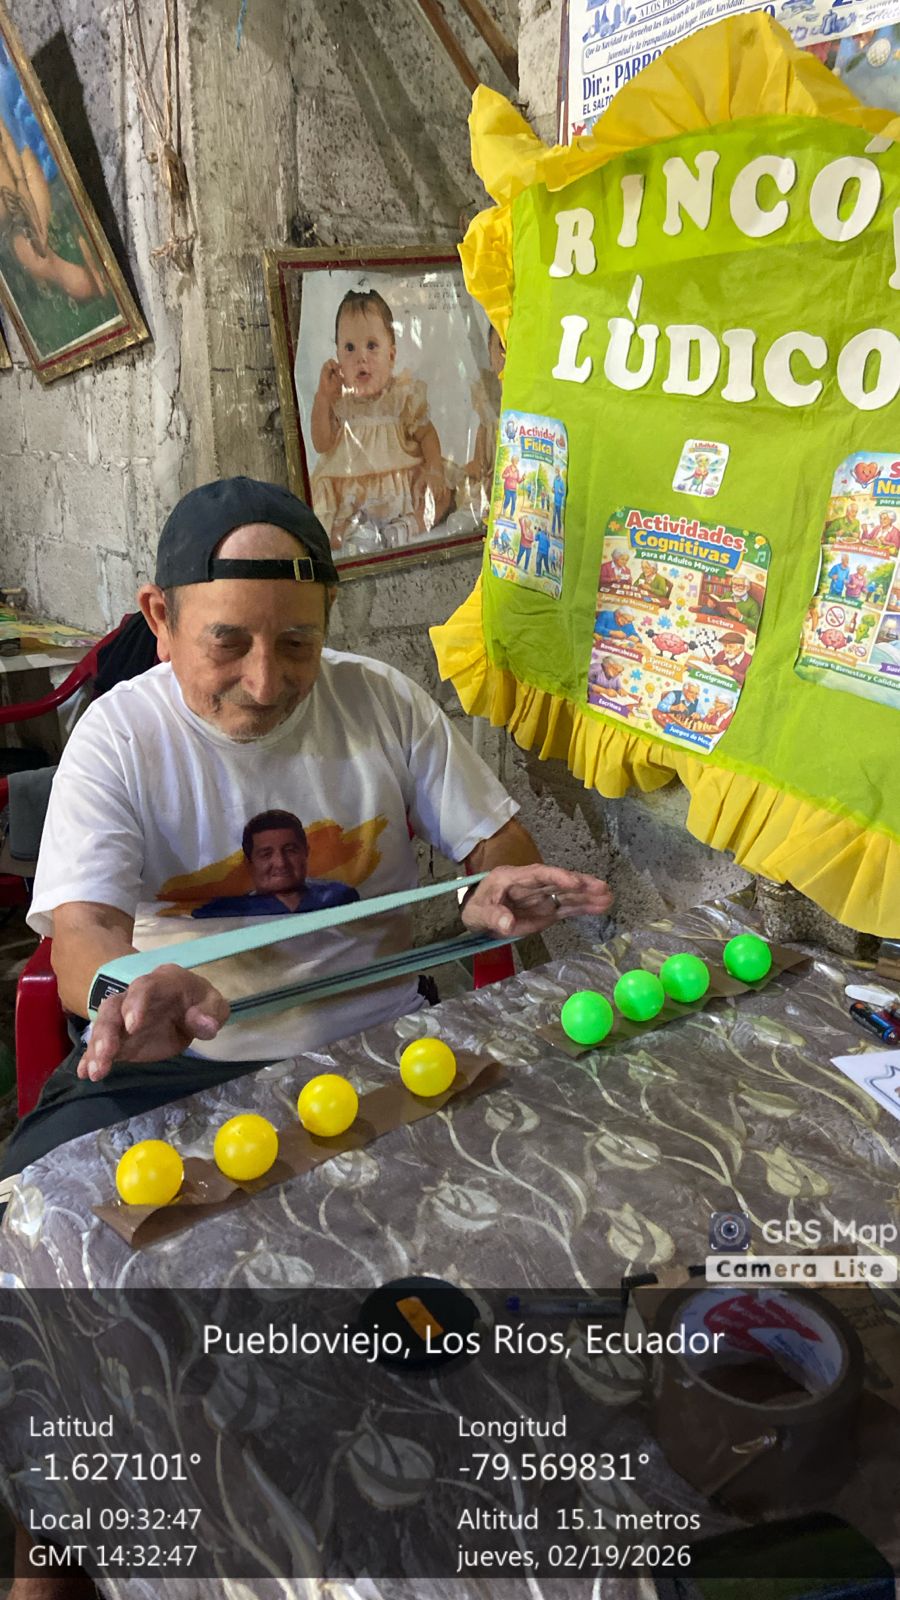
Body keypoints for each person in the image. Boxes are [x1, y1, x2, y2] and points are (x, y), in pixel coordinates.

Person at [0, 477, 612, 1181]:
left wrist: (492, 884)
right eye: (227, 643)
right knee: (42, 1189)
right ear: (161, 619)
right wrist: (132, 990)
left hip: (383, 1038)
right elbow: (83, 932)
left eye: (297, 643)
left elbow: (497, 844)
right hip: (178, 1058)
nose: (265, 683)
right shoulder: (117, 736)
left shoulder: (381, 701)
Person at [309, 288, 450, 549]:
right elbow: (321, 443)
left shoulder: (400, 397)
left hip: (401, 485)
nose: (361, 357)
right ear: (338, 358)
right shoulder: (340, 402)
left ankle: (408, 526)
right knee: (322, 524)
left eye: (372, 346)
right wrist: (323, 398)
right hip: (353, 494)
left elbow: (426, 433)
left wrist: (434, 469)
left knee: (443, 495)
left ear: (391, 356)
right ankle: (354, 534)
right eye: (349, 348)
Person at [191, 809, 358, 917]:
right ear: (249, 862)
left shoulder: (339, 897)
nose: (280, 863)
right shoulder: (226, 912)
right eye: (266, 854)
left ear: (305, 852)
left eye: (290, 850)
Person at [551, 467, 566, 537]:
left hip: (559, 503)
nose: (556, 473)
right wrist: (553, 490)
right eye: (555, 472)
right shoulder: (554, 480)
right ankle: (553, 532)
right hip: (555, 502)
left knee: (559, 518)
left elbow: (563, 493)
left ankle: (559, 532)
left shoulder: (562, 481)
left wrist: (560, 492)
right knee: (554, 517)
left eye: (557, 471)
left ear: (559, 472)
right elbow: (553, 488)